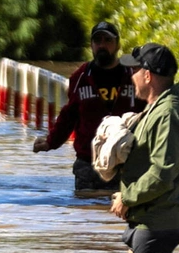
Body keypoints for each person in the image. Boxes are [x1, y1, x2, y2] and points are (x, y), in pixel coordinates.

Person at [33, 21, 144, 195]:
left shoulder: (132, 76)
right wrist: (50, 142)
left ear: (118, 45)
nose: (102, 45)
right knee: (86, 217)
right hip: (88, 164)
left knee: (121, 216)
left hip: (125, 163)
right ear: (91, 45)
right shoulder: (81, 77)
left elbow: (148, 112)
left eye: (107, 40)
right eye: (97, 41)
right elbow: (69, 115)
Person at [109, 43, 179, 253]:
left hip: (156, 225)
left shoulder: (168, 114)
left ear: (147, 76)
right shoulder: (156, 108)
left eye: (134, 71)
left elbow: (161, 174)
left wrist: (127, 198)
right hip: (145, 221)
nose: (131, 77)